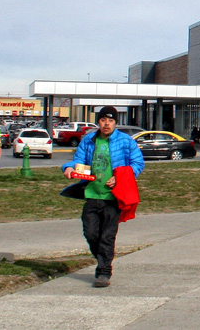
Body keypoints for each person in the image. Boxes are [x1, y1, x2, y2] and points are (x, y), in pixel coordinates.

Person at [61, 106, 144, 288]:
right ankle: (103, 258)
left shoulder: (126, 141)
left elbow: (138, 163)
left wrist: (120, 178)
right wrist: (69, 167)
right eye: (103, 120)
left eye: (111, 120)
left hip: (113, 197)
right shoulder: (89, 140)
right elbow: (78, 161)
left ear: (115, 122)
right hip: (92, 194)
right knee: (90, 233)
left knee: (107, 236)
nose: (107, 124)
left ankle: (103, 272)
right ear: (98, 122)